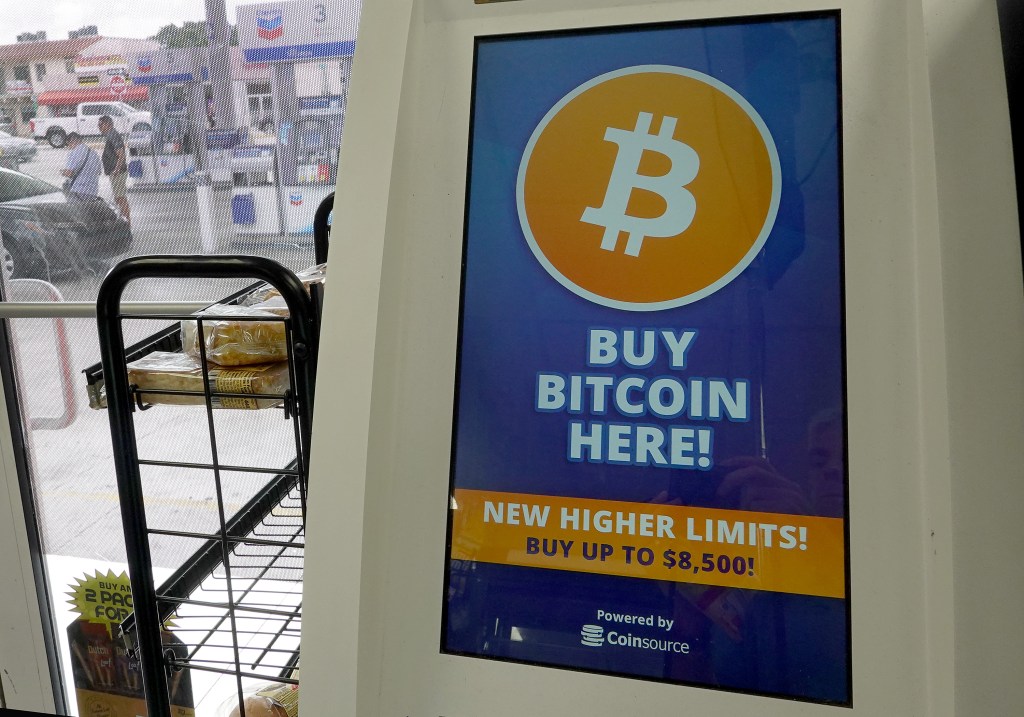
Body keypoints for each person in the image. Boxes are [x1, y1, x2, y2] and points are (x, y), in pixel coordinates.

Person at [98, 115, 130, 225]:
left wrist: (116, 170)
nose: (99, 127)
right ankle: (125, 221)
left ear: (108, 124)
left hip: (118, 173)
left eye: (100, 125)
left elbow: (121, 155)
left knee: (121, 198)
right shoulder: (110, 135)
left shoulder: (113, 135)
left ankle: (127, 223)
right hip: (116, 172)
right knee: (119, 198)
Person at [61, 132, 101, 198]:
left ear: (71, 142)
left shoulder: (73, 153)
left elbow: (69, 173)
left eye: (68, 145)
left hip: (78, 191)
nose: (69, 147)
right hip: (93, 191)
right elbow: (99, 172)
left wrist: (63, 172)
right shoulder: (94, 153)